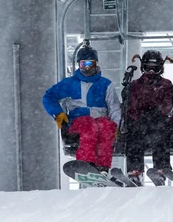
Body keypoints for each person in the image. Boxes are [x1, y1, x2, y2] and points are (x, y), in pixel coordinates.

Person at [42, 43, 122, 174]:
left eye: (90, 64)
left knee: (106, 127)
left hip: (100, 117)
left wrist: (117, 125)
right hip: (78, 120)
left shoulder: (105, 84)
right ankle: (86, 163)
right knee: (89, 126)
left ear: (96, 64)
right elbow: (49, 96)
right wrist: (58, 113)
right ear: (79, 65)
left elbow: (114, 106)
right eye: (83, 65)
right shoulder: (69, 83)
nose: (87, 68)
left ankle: (102, 167)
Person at [121, 50, 173, 186]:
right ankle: (135, 171)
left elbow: (168, 105)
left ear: (160, 68)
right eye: (147, 68)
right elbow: (131, 107)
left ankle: (161, 169)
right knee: (133, 137)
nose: (150, 71)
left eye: (154, 68)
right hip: (140, 123)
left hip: (158, 122)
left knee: (160, 135)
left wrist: (156, 113)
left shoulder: (166, 84)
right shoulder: (134, 85)